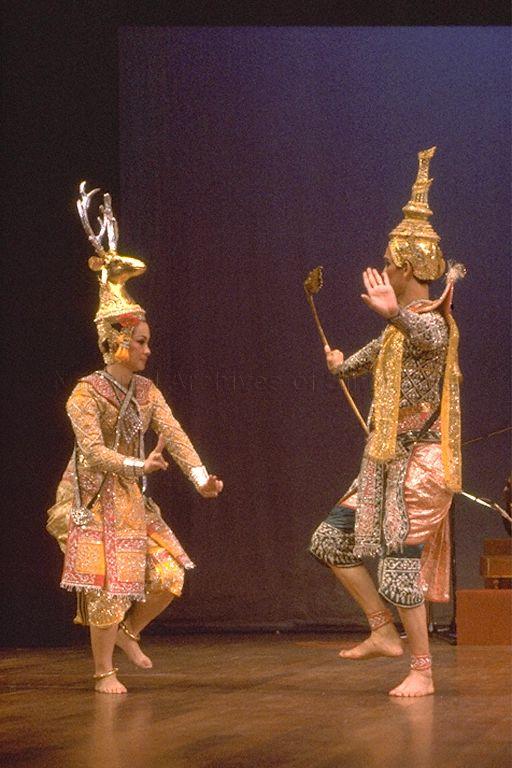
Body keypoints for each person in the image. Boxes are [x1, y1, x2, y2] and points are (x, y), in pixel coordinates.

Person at [47, 183, 223, 694]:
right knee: (105, 584)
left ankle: (128, 633)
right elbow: (93, 453)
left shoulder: (147, 390)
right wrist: (137, 468)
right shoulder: (84, 394)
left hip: (131, 495)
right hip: (92, 495)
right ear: (117, 343)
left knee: (168, 576)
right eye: (141, 342)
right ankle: (103, 671)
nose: (148, 350)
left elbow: (175, 433)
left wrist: (198, 477)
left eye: (147, 341)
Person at [309, 147, 464, 697]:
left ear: (413, 267)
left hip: (421, 466)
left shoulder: (431, 325)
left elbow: (423, 337)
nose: (386, 269)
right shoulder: (399, 330)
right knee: (329, 540)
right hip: (383, 462)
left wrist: (394, 313)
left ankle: (422, 670)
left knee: (399, 564)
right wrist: (339, 365)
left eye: (391, 262)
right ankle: (382, 629)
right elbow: (364, 360)